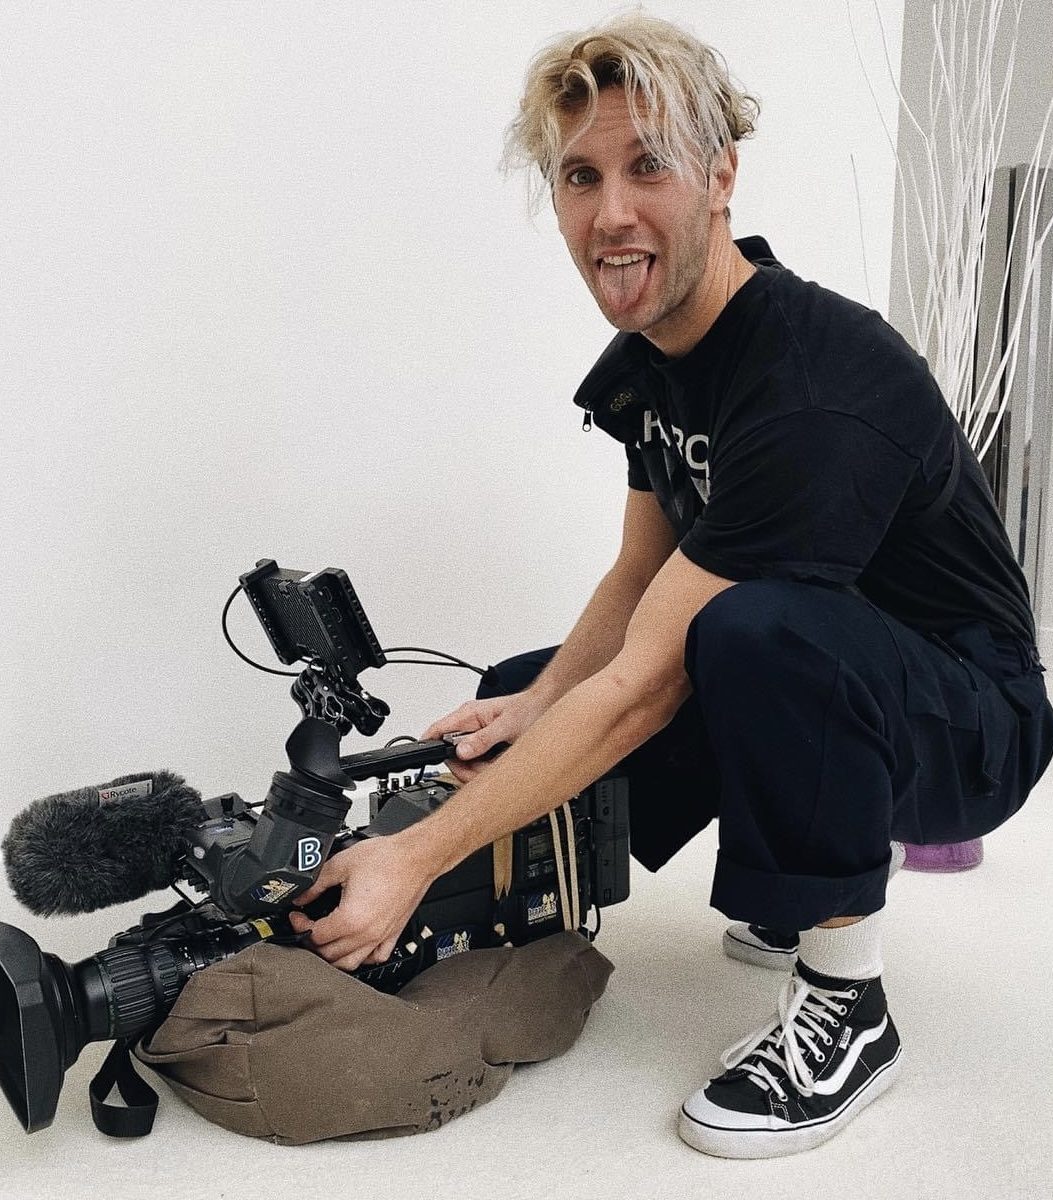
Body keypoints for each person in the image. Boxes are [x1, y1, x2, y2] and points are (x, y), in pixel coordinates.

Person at [289, 13, 1053, 1158]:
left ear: (720, 175)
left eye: (648, 165)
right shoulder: (654, 361)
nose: (610, 215)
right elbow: (640, 574)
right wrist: (533, 705)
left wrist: (414, 856)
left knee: (754, 631)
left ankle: (849, 1006)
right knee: (525, 686)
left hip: (967, 725)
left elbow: (650, 683)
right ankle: (773, 864)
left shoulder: (815, 385)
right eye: (579, 176)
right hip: (834, 668)